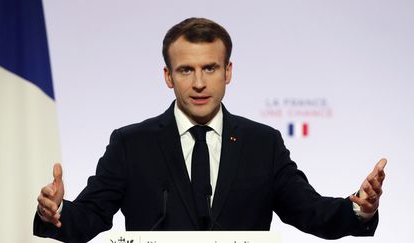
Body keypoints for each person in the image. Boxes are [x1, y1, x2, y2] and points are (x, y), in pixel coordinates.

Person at [34, 17, 387, 242]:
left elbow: (311, 212)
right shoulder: (131, 144)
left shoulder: (263, 144)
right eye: (186, 70)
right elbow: (90, 218)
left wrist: (361, 208)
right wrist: (57, 210)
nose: (199, 83)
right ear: (168, 77)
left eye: (210, 68)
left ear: (228, 72)